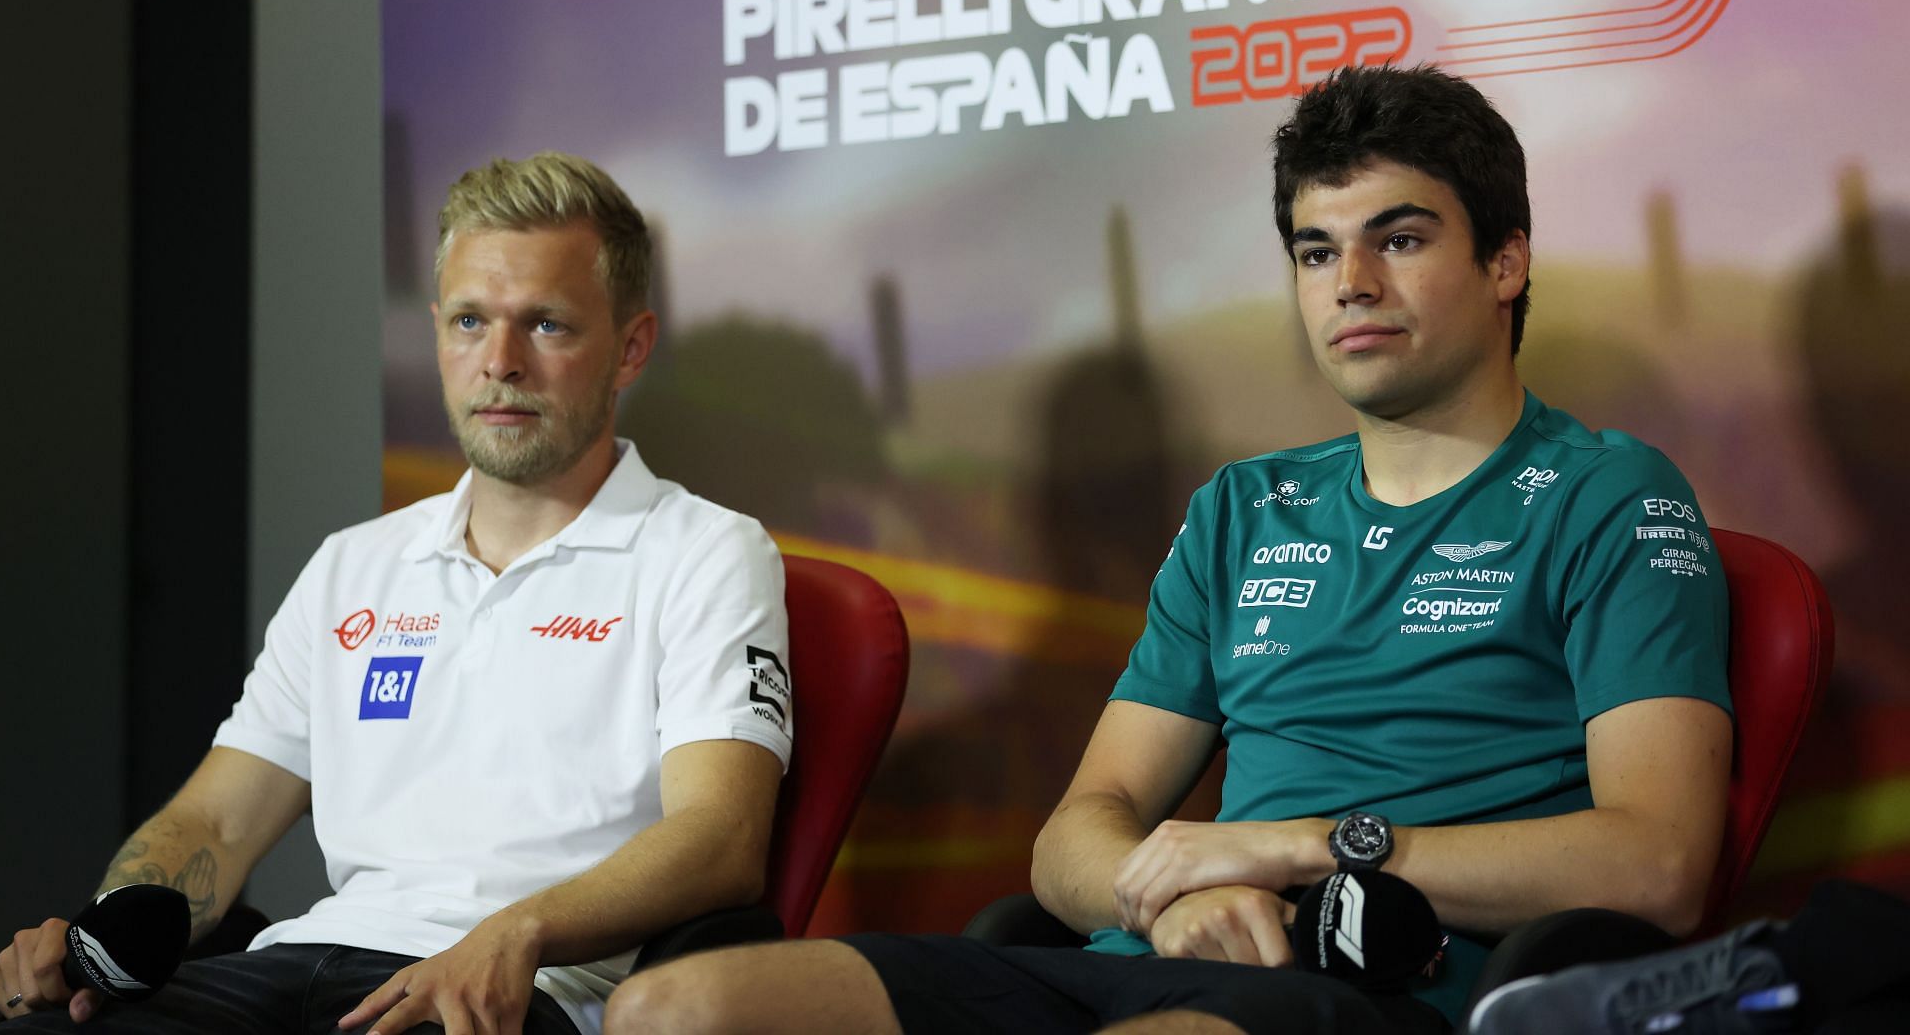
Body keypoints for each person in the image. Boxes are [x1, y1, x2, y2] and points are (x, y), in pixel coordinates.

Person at [605, 64, 1733, 1035]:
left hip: (1385, 988)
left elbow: (1658, 865)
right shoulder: (1244, 508)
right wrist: (1167, 901)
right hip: (1154, 960)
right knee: (672, 1010)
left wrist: (1300, 851)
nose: (1352, 283)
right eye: (1316, 249)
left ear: (1506, 262)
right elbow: (1074, 836)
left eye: (1400, 237)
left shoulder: (1609, 494)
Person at [0, 153, 792, 1035]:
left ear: (631, 348)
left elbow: (722, 837)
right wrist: (106, 936)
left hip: (515, 994)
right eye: (468, 321)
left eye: (548, 326)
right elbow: (217, 822)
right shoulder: (353, 565)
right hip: (294, 970)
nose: (500, 362)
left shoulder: (707, 552)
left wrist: (516, 930)